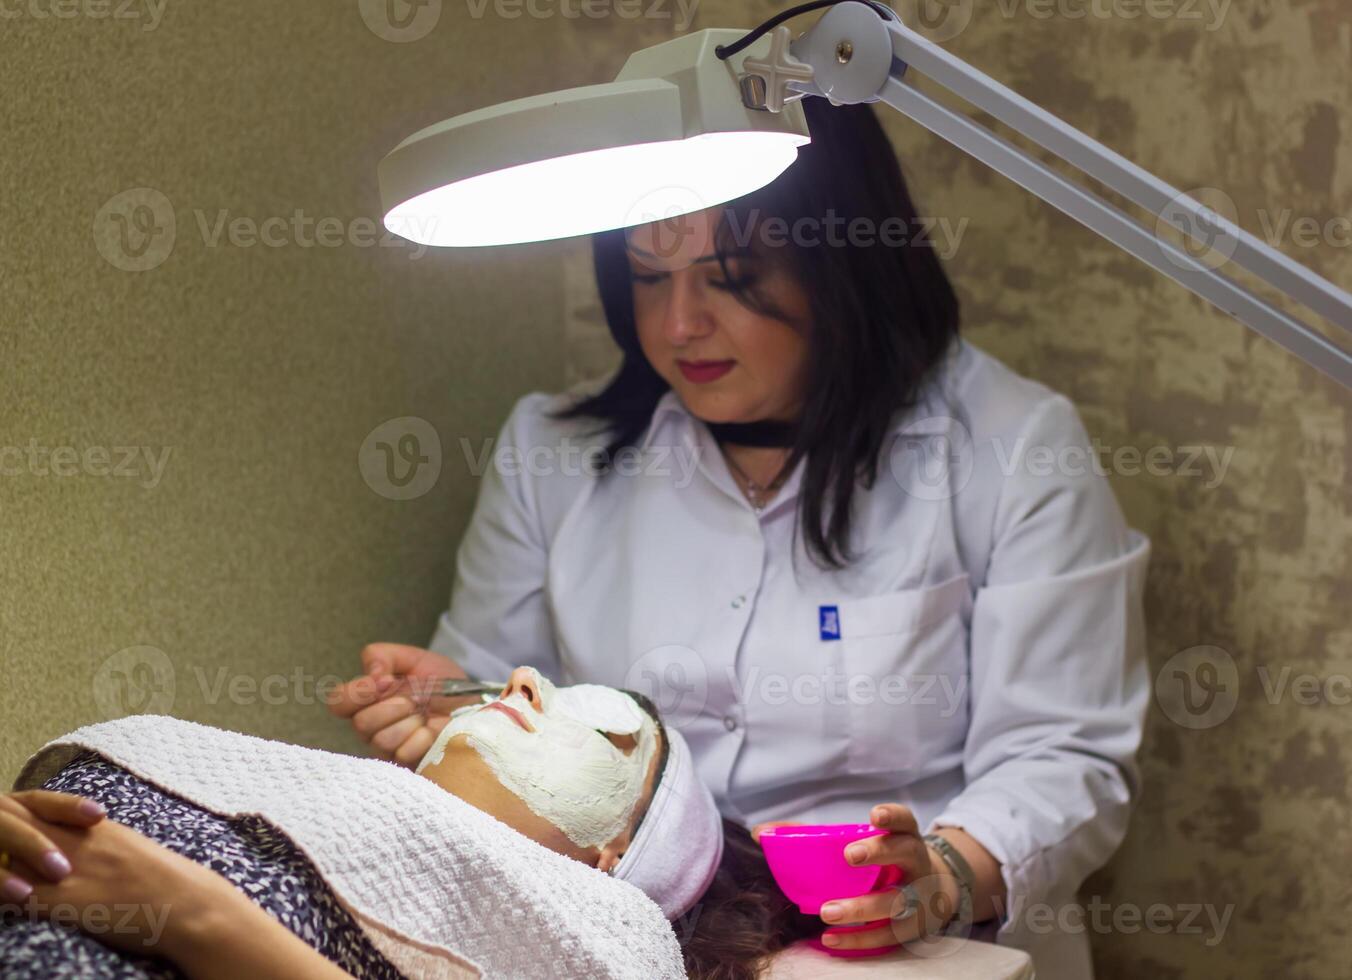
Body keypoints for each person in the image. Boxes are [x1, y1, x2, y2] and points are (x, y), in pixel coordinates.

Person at [330, 95, 1151, 978]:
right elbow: (496, 689)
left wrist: (945, 873)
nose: (679, 325)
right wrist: (460, 713)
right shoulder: (553, 454)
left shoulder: (1011, 448)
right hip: (637, 942)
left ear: (845, 266)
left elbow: (1065, 757)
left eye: (730, 277)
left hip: (917, 950)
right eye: (648, 276)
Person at [0, 669, 829, 979]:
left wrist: (193, 915)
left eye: (603, 731)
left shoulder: (615, 941)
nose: (528, 678)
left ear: (605, 864)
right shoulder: (325, 790)